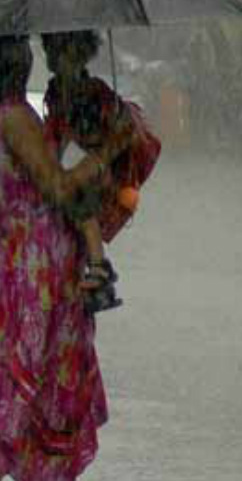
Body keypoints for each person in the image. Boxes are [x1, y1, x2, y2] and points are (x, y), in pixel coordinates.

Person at [0, 35, 127, 481]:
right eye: (21, 48)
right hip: (33, 270)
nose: (31, 54)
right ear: (8, 61)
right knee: (10, 374)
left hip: (52, 266)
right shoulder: (14, 117)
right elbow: (59, 187)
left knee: (61, 377)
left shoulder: (19, 113)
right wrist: (108, 153)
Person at [41, 31, 160, 314]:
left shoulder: (92, 91)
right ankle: (94, 271)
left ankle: (99, 268)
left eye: (60, 52)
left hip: (89, 168)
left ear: (80, 55)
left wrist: (94, 157)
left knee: (83, 213)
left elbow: (116, 132)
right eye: (51, 51)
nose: (54, 60)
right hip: (73, 165)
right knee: (79, 217)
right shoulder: (57, 90)